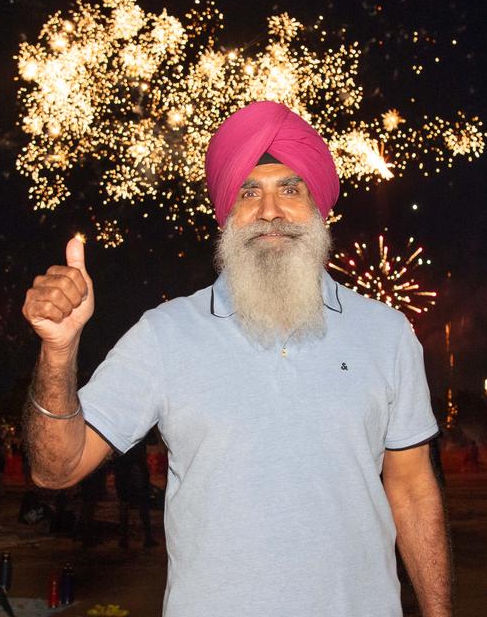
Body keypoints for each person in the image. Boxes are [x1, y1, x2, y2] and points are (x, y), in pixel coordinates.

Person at [23, 101, 450, 617]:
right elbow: (56, 468)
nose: (270, 210)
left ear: (320, 209)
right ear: (226, 213)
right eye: (249, 192)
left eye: (290, 189)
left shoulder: (386, 334)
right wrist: (58, 351)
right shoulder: (165, 334)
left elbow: (411, 488)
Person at [112, 440, 156, 548]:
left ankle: (124, 538)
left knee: (124, 503)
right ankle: (147, 537)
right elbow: (152, 439)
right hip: (136, 465)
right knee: (142, 502)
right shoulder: (139, 425)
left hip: (122, 466)